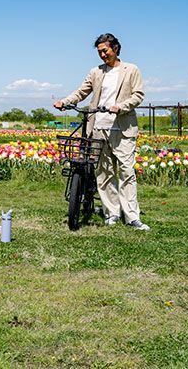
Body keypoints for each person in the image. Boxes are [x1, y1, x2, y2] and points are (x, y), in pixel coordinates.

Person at [53, 32, 149, 231]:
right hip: (98, 128)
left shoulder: (131, 69)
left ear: (115, 48)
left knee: (126, 171)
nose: (102, 55)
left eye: (105, 51)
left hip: (122, 128)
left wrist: (120, 106)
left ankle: (132, 217)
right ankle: (111, 213)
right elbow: (82, 92)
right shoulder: (96, 72)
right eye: (99, 52)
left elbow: (138, 95)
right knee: (103, 173)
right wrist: (65, 102)